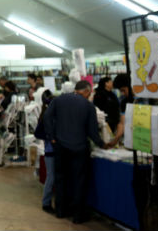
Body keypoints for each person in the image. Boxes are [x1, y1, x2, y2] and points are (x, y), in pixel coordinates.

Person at [44, 80, 110, 224]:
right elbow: (92, 132)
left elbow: (46, 117)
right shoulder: (88, 106)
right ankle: (78, 215)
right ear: (87, 91)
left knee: (61, 179)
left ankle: (61, 211)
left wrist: (52, 137)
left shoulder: (58, 100)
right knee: (79, 181)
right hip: (79, 148)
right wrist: (103, 144)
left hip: (60, 146)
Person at [33, 90, 55, 214]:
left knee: (52, 177)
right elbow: (38, 133)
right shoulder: (47, 116)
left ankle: (47, 202)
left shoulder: (45, 115)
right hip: (50, 151)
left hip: (51, 151)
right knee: (51, 177)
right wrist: (50, 138)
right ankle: (46, 203)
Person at [93, 76, 123, 146]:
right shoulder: (99, 94)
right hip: (106, 122)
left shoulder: (112, 94)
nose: (112, 83)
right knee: (106, 139)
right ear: (106, 84)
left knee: (113, 139)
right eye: (110, 82)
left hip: (115, 121)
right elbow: (98, 109)